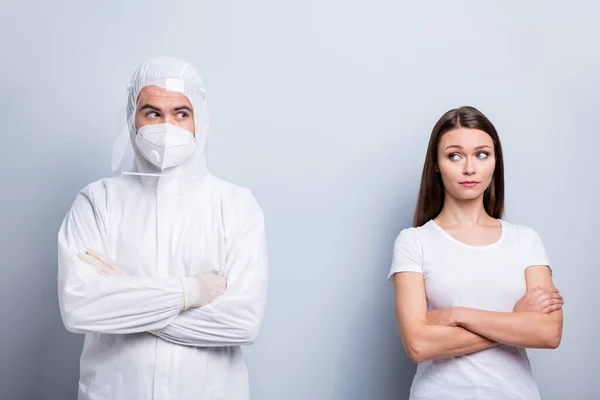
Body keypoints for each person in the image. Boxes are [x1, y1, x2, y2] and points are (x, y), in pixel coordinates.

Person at [57, 56, 268, 400]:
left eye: (180, 114)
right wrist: (190, 293)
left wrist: (124, 295)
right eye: (152, 113)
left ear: (199, 119)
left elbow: (242, 322)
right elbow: (79, 307)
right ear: (132, 118)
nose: (166, 126)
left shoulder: (236, 205)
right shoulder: (98, 202)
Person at [389, 106, 563, 400]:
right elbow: (419, 345)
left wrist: (458, 314)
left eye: (481, 154)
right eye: (454, 155)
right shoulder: (414, 242)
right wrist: (515, 320)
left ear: (495, 161)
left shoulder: (525, 240)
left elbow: (548, 333)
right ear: (436, 163)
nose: (469, 168)